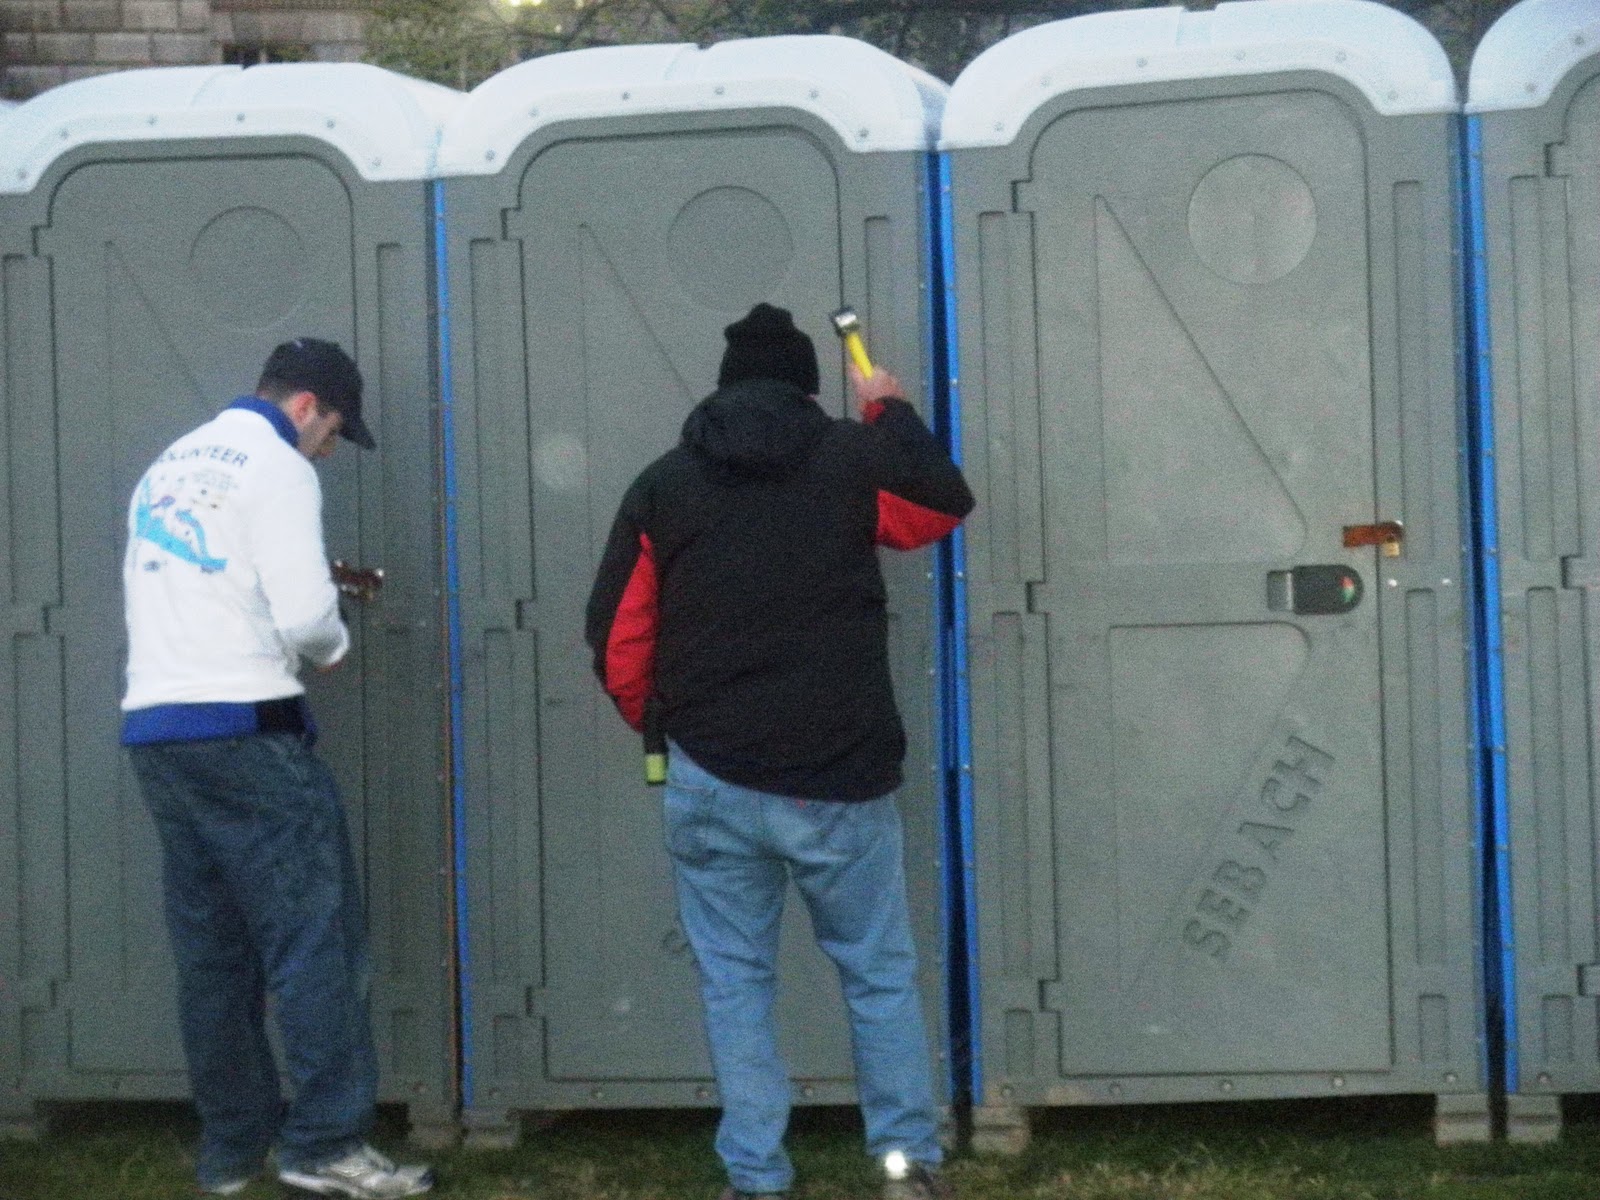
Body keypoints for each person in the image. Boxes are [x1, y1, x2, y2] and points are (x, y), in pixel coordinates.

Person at [586, 303, 974, 1200]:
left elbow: (617, 638)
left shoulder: (665, 484)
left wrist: (670, 726)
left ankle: (757, 1179)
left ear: (723, 387)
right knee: (876, 975)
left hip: (710, 778)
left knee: (735, 985)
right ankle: (905, 1168)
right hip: (839, 777)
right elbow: (939, 504)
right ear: (808, 382)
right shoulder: (851, 457)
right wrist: (888, 409)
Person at [120, 338, 434, 1200]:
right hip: (248, 729)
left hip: (157, 729)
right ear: (308, 406)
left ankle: (230, 1153)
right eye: (335, 429)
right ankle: (327, 1143)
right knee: (315, 939)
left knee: (213, 954)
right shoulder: (280, 467)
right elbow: (304, 621)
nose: (330, 448)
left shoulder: (172, 461)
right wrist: (330, 639)